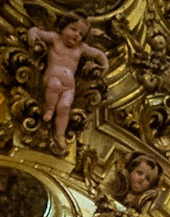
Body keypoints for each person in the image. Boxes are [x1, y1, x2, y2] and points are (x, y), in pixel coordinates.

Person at [27, 16, 110, 148]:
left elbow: (98, 55)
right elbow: (35, 31)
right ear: (62, 27)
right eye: (73, 29)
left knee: (65, 107)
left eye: (81, 34)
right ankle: (49, 109)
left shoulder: (81, 48)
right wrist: (32, 39)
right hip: (52, 78)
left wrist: (105, 65)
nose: (77, 35)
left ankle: (59, 135)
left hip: (69, 86)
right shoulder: (55, 38)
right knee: (54, 86)